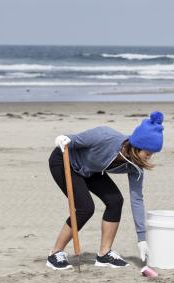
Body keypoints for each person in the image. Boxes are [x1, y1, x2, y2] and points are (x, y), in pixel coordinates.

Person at [46, 112, 164, 270]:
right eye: (148, 153)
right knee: (85, 208)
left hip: (91, 170)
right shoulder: (105, 136)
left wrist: (141, 238)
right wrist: (63, 138)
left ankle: (104, 254)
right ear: (137, 146)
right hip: (64, 161)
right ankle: (55, 253)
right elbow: (73, 140)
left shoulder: (135, 167)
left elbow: (137, 199)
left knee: (115, 201)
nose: (150, 157)